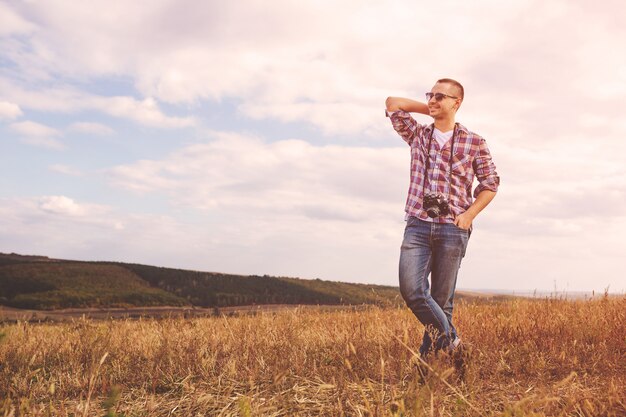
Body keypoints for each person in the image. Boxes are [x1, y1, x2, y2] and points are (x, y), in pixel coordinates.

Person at [385, 78, 500, 363]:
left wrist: (468, 215)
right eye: (430, 95)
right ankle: (454, 343)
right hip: (418, 224)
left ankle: (428, 364)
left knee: (441, 300)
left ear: (457, 102)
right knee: (412, 290)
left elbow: (490, 184)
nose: (433, 99)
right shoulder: (418, 134)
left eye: (440, 96)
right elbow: (392, 104)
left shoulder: (474, 142)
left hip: (453, 228)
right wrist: (434, 108)